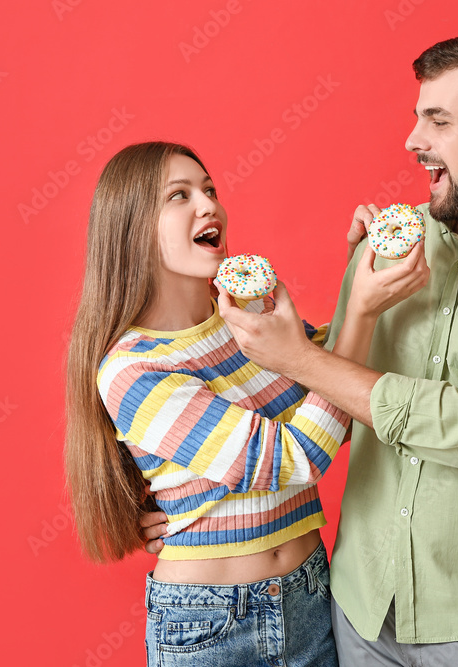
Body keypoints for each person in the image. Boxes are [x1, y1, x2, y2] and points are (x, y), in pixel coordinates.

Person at [159, 33, 458, 666]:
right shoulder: (393, 247)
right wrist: (178, 493)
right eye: (416, 118)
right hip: (360, 609)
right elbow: (327, 402)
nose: (412, 141)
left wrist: (303, 359)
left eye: (437, 121)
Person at [64, 141, 428, 667]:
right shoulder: (133, 369)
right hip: (209, 624)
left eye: (209, 189)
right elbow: (292, 460)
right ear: (132, 228)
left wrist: (360, 280)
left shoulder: (250, 315)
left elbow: (338, 407)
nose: (208, 204)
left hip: (312, 595)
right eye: (179, 196)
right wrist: (361, 316)